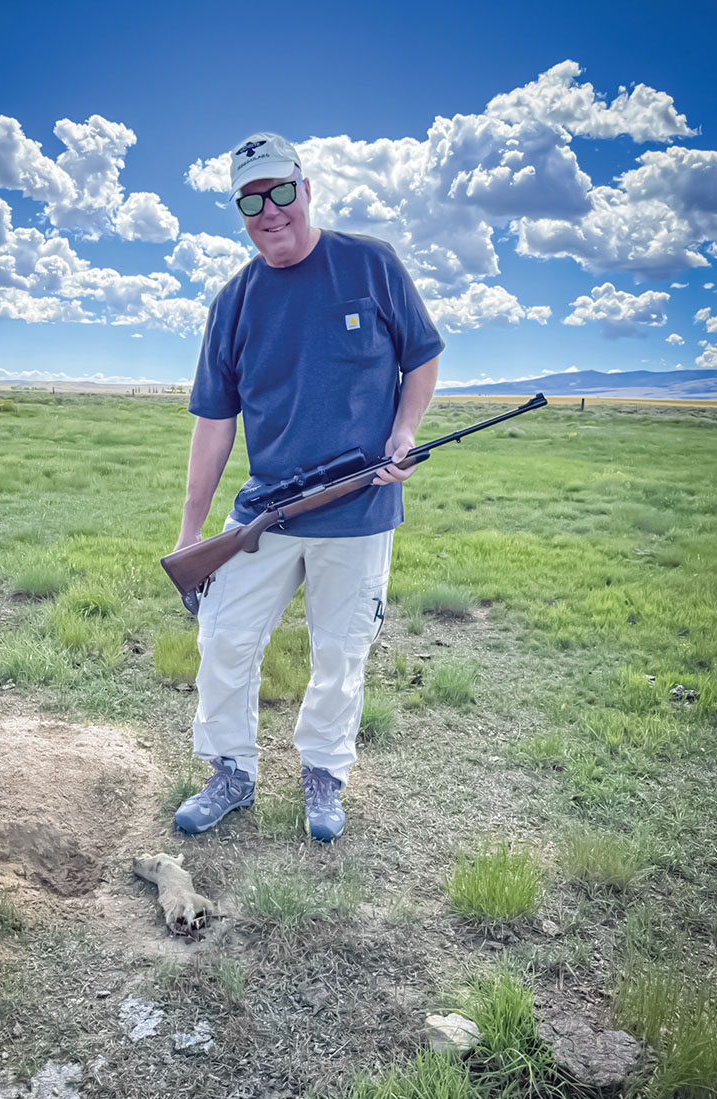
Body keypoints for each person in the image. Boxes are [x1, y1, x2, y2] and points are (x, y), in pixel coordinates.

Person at [172, 131, 443, 841]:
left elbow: (421, 359)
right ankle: (230, 770)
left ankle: (323, 776)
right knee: (224, 641)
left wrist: (404, 433)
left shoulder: (370, 264)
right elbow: (212, 425)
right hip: (267, 510)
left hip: (360, 513)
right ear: (240, 209)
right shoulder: (233, 301)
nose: (271, 210)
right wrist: (191, 536)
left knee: (340, 655)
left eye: (281, 191)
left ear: (306, 189)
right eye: (252, 199)